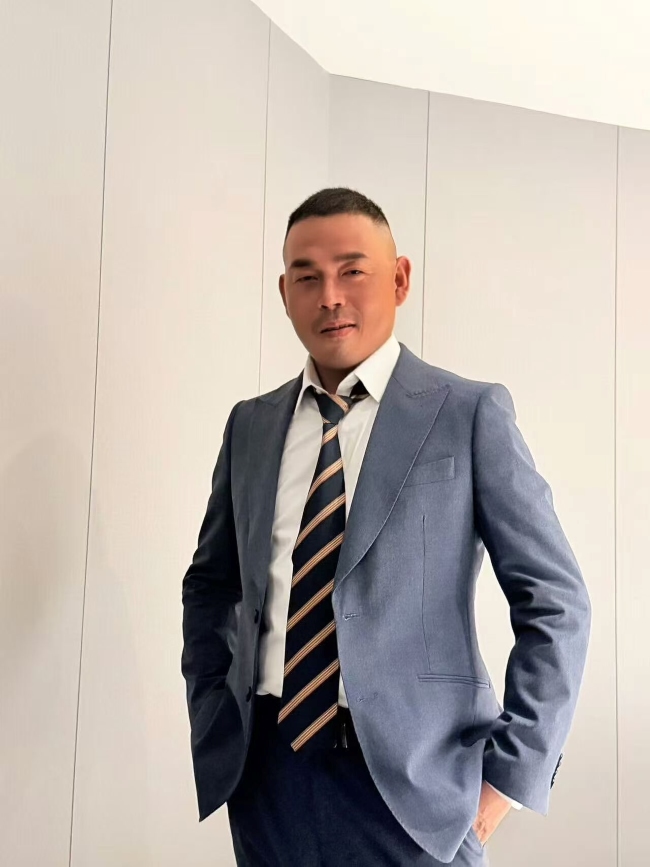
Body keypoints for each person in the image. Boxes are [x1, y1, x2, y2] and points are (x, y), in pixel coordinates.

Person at [181, 187, 591, 866]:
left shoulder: (467, 413)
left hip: (419, 794)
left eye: (352, 271)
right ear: (284, 293)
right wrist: (213, 717)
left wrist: (507, 782)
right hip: (268, 780)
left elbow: (556, 601)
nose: (330, 296)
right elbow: (210, 586)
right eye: (307, 278)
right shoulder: (250, 425)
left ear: (399, 279)